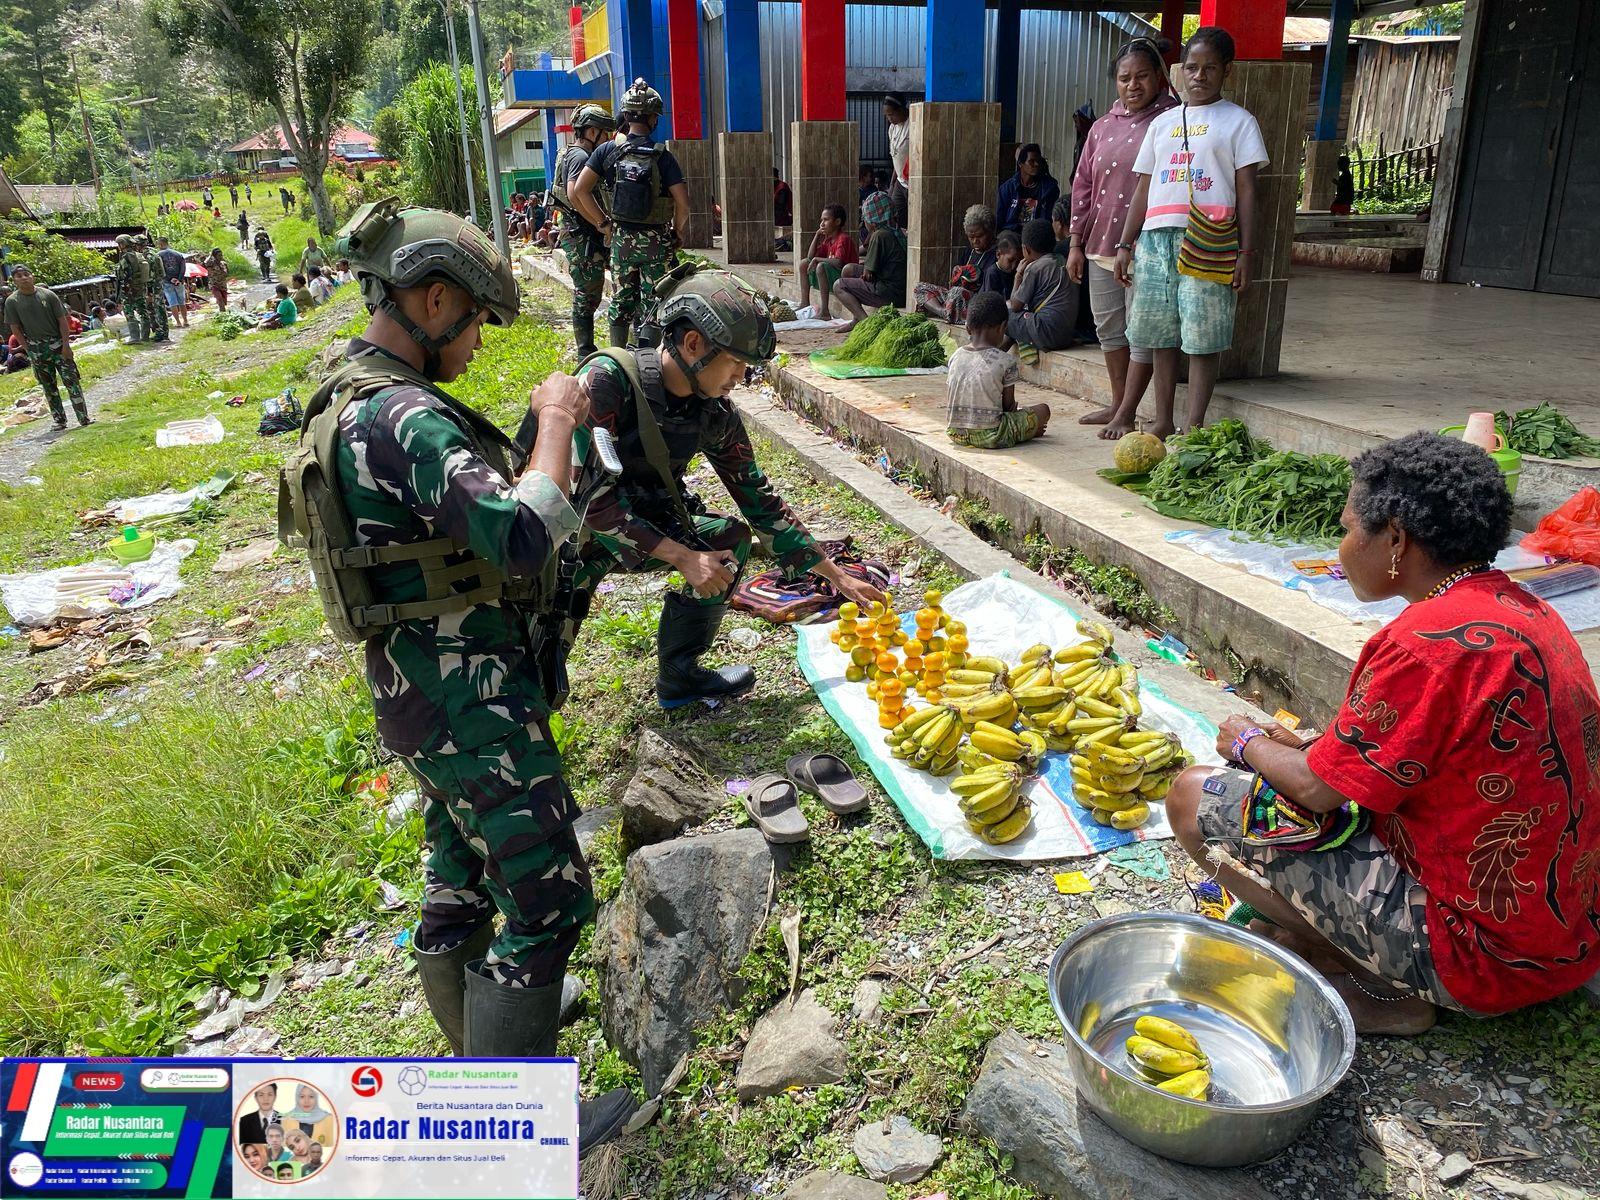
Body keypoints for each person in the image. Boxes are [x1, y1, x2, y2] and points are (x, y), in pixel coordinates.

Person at [287, 196, 635, 1156]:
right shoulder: (403, 418)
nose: (481, 339)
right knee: (548, 895)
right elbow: (522, 537)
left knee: (458, 877)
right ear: (432, 299)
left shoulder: (349, 394)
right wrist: (556, 420)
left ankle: (476, 1064)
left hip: (420, 696)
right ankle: (518, 1135)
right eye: (476, 319)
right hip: (468, 698)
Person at [1168, 433, 1600, 1035]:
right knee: (1276, 777)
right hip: (1562, 937)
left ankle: (1385, 986)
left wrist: (1244, 741)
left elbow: (1321, 793)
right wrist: (1301, 751)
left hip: (1479, 961)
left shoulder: (1425, 645)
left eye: (1348, 530)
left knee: (1194, 796)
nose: (1341, 548)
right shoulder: (1527, 611)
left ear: (1395, 539)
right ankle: (1353, 946)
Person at [566, 263, 885, 711]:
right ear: (693, 344)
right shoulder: (606, 383)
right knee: (541, 665)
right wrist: (683, 558)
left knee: (728, 540)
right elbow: (592, 506)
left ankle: (680, 677)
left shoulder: (713, 412)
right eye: (735, 361)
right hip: (564, 540)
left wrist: (835, 575)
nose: (741, 377)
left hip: (639, 530)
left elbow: (759, 500)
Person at [1112, 26, 1267, 436]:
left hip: (1210, 239)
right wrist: (1126, 244)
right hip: (1156, 239)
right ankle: (1162, 420)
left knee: (1203, 335)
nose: (1199, 76)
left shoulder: (1239, 122)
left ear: (1226, 71)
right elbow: (1143, 185)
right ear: (1181, 71)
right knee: (1160, 335)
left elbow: (1248, 189)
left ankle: (1193, 426)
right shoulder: (1161, 123)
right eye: (1192, 68)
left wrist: (1246, 253)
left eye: (1209, 68)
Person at [1069, 36, 1180, 437]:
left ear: (1159, 78)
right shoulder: (1101, 127)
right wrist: (1076, 243)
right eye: (1124, 78)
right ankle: (1119, 405)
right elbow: (1082, 185)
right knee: (1109, 329)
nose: (1133, 85)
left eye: (1142, 76)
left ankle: (1127, 411)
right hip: (1100, 242)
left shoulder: (1172, 120)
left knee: (1142, 331)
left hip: (1148, 244)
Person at [568, 78, 689, 348]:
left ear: (625, 115)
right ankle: (646, 360)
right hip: (656, 242)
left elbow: (579, 190)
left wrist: (603, 224)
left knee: (621, 302)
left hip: (621, 241)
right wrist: (678, 231)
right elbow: (683, 203)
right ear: (653, 119)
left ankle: (619, 360)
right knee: (653, 301)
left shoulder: (607, 151)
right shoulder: (663, 157)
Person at [548, 103, 618, 358]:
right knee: (587, 293)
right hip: (581, 233)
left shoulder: (569, 152)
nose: (607, 137)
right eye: (603, 132)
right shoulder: (580, 156)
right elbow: (575, 193)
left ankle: (586, 348)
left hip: (579, 231)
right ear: (590, 131)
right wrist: (602, 223)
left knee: (589, 291)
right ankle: (584, 350)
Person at [946, 290, 1050, 450]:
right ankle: (1028, 432)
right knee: (1043, 410)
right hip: (992, 435)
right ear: (1002, 328)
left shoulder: (956, 356)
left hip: (956, 433)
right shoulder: (1006, 361)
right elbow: (1008, 407)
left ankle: (1024, 431)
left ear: (967, 328)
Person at [5, 264, 91, 431]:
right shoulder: (12, 302)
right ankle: (59, 421)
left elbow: (62, 321)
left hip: (58, 344)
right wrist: (27, 349)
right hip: (36, 348)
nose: (23, 278)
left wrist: (66, 346)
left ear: (32, 276)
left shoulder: (48, 295)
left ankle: (84, 418)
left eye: (26, 274)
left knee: (72, 381)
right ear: (14, 280)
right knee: (48, 386)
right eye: (19, 276)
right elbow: (15, 328)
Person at [913, 204, 1004, 323]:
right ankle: (943, 312)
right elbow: (956, 281)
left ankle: (951, 312)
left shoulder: (996, 253)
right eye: (971, 237)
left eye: (980, 236)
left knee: (957, 292)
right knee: (920, 288)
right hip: (956, 298)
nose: (975, 241)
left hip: (978, 301)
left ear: (990, 231)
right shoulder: (969, 251)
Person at [834, 191, 906, 329]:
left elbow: (867, 274)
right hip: (899, 287)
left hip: (891, 292)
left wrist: (866, 273)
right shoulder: (895, 230)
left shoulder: (879, 235)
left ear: (872, 221)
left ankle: (866, 323)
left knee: (839, 285)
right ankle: (856, 317)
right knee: (848, 269)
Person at [1005, 219, 1076, 356]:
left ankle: (989, 357)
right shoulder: (1063, 260)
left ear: (1026, 249)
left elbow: (1015, 306)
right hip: (1066, 336)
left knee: (1001, 313)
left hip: (1046, 334)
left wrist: (1018, 276)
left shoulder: (1034, 268)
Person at [797, 204, 857, 320]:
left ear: (837, 221)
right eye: (821, 220)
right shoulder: (828, 240)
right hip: (831, 279)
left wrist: (817, 259)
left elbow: (839, 263)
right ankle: (805, 302)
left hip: (844, 280)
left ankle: (825, 311)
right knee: (804, 263)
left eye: (826, 220)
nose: (822, 224)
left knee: (821, 266)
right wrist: (817, 235)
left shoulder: (843, 239)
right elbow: (810, 256)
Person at [997, 143, 1061, 233]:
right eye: (1031, 161)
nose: (1036, 164)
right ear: (1020, 164)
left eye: (1038, 161)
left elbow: (1051, 218)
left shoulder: (1049, 188)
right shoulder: (1007, 189)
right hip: (1013, 232)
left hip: (1038, 233)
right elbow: (1000, 219)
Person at [114, 235, 148, 344]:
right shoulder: (137, 255)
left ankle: (135, 337)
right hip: (139, 287)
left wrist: (123, 291)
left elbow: (124, 275)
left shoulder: (125, 257)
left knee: (129, 312)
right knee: (142, 310)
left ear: (123, 244)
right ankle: (145, 335)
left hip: (128, 289)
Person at [884, 94, 911, 228]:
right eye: (887, 116)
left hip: (912, 183)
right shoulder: (892, 128)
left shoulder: (912, 125)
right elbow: (896, 158)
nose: (889, 119)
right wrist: (892, 183)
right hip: (900, 183)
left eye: (891, 115)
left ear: (901, 110)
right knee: (894, 217)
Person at [138, 238, 170, 343]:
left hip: (153, 287)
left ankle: (160, 333)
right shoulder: (154, 253)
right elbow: (162, 273)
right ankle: (163, 332)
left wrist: (149, 292)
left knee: (156, 310)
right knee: (160, 308)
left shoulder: (147, 256)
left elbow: (150, 275)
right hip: (158, 285)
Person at [157, 236, 189, 329]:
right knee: (182, 301)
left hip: (167, 282)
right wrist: (178, 279)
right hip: (179, 282)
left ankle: (178, 322)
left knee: (172, 302)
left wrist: (168, 278)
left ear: (161, 244)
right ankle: (186, 320)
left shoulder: (158, 255)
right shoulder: (178, 254)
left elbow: (160, 269)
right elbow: (183, 268)